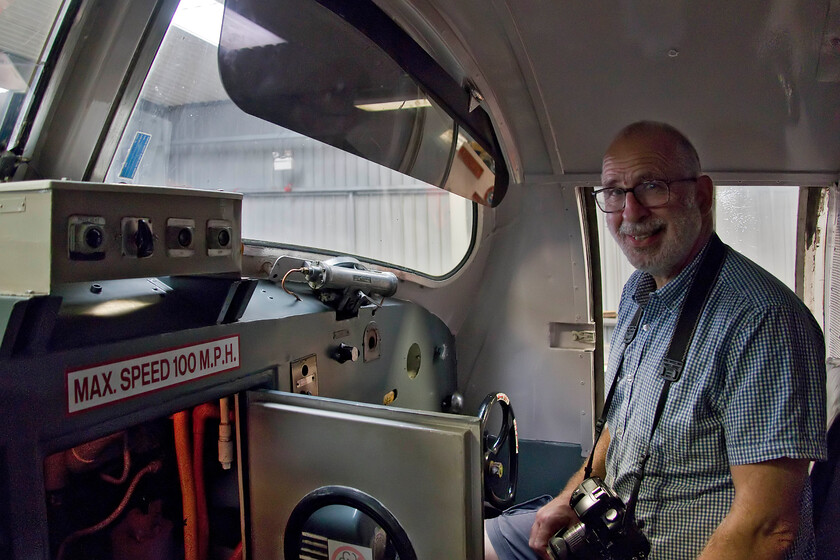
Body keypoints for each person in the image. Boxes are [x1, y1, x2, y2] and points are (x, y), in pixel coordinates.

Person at [485, 121, 827, 560]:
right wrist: (569, 501)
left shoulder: (763, 321)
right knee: (467, 537)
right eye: (612, 191)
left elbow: (769, 527)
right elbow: (622, 424)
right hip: (611, 530)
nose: (630, 212)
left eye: (651, 186)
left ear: (701, 196)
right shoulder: (639, 291)